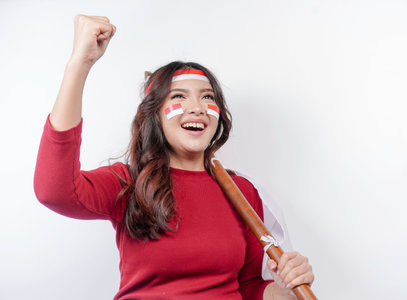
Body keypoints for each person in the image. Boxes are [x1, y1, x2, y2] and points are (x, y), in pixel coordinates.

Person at [34, 15, 314, 299]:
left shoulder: (243, 193)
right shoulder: (129, 182)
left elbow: (251, 287)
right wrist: (79, 65)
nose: (197, 108)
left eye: (207, 97)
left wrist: (288, 286)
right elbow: (54, 191)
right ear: (154, 115)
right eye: (179, 97)